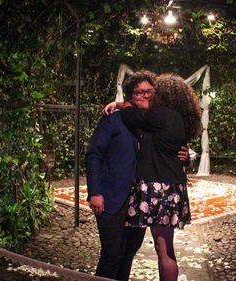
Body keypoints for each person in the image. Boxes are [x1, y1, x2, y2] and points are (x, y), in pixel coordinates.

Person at [85, 70, 190, 280]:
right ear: (130, 96)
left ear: (156, 93)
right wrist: (95, 192)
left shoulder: (155, 120)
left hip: (141, 201)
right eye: (138, 93)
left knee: (128, 254)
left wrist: (185, 157)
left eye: (149, 92)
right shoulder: (114, 119)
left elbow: (167, 152)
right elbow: (94, 154)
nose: (144, 96)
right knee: (112, 254)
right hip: (113, 197)